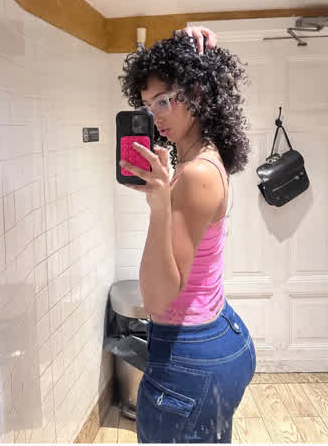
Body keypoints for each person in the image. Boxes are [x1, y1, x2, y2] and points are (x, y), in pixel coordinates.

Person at [117, 26, 256, 443]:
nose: (156, 116)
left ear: (196, 91)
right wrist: (186, 44)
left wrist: (160, 205)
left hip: (189, 355)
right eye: (147, 105)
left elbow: (158, 298)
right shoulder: (202, 153)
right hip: (215, 335)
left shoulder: (195, 173)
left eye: (163, 101)